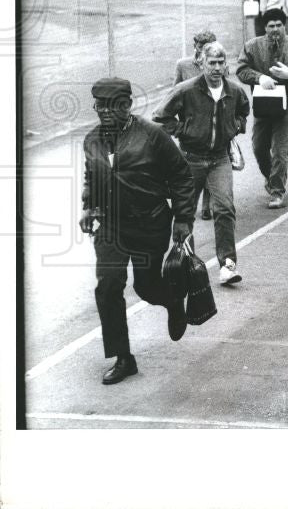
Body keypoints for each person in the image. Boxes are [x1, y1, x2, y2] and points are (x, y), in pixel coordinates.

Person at [79, 77, 195, 385]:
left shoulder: (153, 135)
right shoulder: (92, 140)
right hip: (111, 227)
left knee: (146, 288)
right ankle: (123, 358)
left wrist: (183, 219)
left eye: (112, 105)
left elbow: (183, 176)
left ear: (128, 105)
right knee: (108, 287)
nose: (104, 111)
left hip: (150, 224)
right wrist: (89, 206)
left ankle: (172, 302)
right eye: (99, 105)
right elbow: (93, 175)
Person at [154, 41, 251, 286]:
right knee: (185, 213)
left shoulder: (235, 90)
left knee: (225, 208)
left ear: (226, 64)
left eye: (221, 63)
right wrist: (184, 130)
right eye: (212, 63)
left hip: (220, 159)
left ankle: (228, 265)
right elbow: (160, 117)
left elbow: (243, 112)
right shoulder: (185, 90)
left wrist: (234, 127)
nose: (217, 68)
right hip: (190, 159)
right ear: (201, 64)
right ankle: (188, 266)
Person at [236, 8, 288, 208]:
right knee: (258, 147)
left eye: (279, 25)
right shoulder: (252, 46)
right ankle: (271, 178)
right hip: (263, 103)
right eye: (271, 26)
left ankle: (277, 192)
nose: (275, 29)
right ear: (265, 28)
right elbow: (240, 69)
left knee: (280, 149)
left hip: (287, 104)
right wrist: (259, 77)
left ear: (284, 26)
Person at [174, 28, 218, 220]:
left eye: (208, 47)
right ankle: (188, 206)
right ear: (195, 47)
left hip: (212, 122)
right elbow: (174, 93)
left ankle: (207, 205)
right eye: (200, 47)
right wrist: (179, 124)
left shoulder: (217, 64)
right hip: (189, 124)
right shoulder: (183, 65)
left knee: (211, 163)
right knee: (190, 168)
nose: (203, 51)